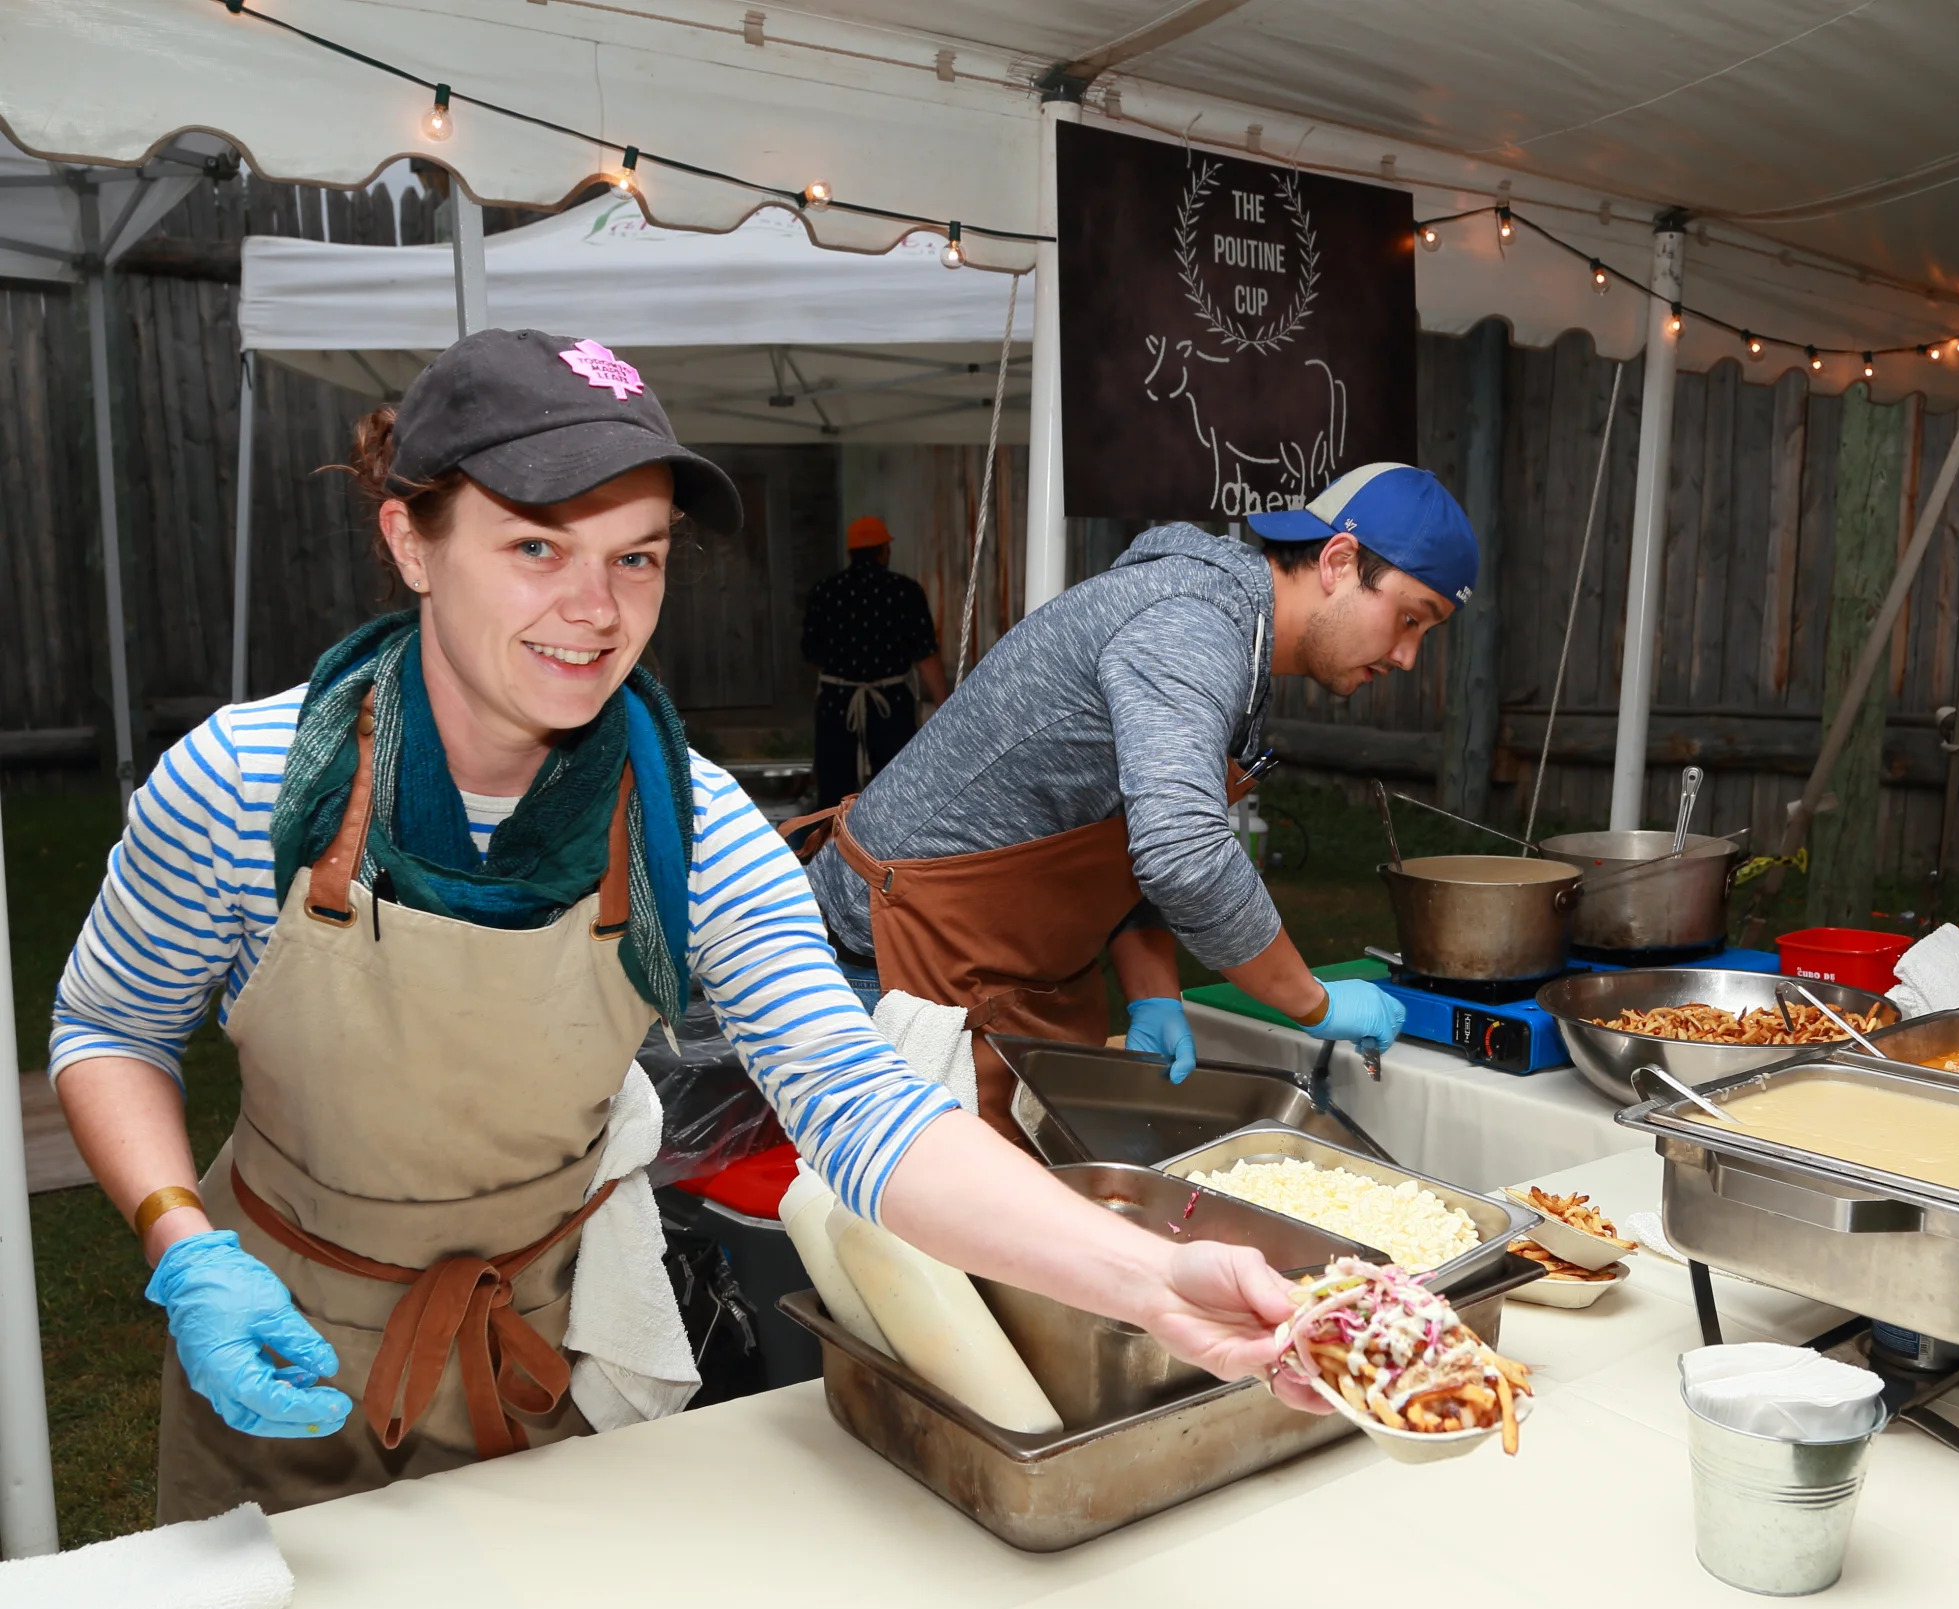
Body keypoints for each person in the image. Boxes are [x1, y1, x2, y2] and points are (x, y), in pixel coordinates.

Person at [48, 329, 1316, 1523]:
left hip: (527, 1352)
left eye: (636, 556)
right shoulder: (246, 782)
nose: (596, 610)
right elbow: (108, 1024)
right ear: (411, 540)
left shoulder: (691, 827)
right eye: (537, 547)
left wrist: (1154, 1279)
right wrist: (180, 1240)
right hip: (265, 1335)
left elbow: (865, 1110)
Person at [800, 463, 1476, 1136]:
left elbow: (1121, 826)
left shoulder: (1232, 632)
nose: (1409, 656)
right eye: (1410, 617)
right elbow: (1182, 851)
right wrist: (1313, 1001)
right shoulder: (1192, 626)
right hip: (883, 964)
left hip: (979, 960)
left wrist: (1153, 991)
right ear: (1338, 559)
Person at [800, 515, 948, 809]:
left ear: (850, 553)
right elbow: (925, 657)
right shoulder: (905, 592)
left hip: (838, 706)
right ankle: (895, 851)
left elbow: (812, 656)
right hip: (890, 706)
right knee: (897, 789)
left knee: (834, 792)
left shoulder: (824, 592)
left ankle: (832, 849)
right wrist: (947, 709)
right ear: (884, 551)